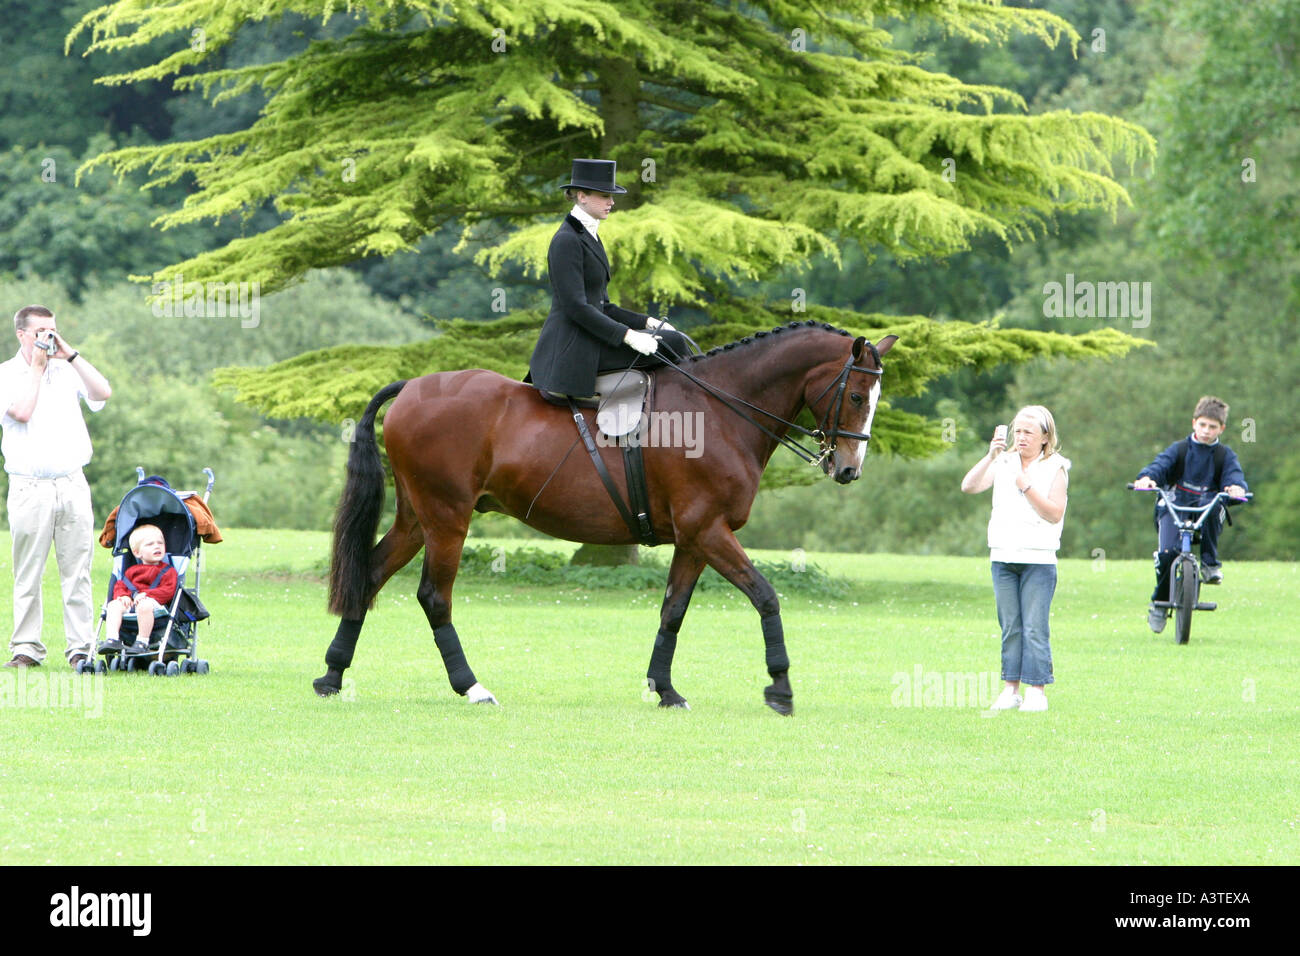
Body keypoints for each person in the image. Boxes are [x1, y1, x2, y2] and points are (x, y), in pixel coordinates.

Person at [0, 305, 112, 669]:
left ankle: (81, 647)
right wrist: (36, 368)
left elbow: (103, 393)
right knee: (28, 571)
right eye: (40, 332)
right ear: (22, 334)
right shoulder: (7, 374)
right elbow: (21, 412)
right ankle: (26, 648)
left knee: (77, 569)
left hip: (71, 482)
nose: (47, 338)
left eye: (52, 330)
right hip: (29, 486)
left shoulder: (67, 370)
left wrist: (71, 355)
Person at [527, 158, 693, 399]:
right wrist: (627, 335)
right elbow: (576, 307)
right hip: (573, 347)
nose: (612, 202)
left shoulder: (588, 235)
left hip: (592, 337)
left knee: (673, 339)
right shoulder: (566, 240)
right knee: (672, 344)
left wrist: (646, 322)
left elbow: (603, 306)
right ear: (582, 196)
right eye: (605, 196)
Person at [961, 406, 1070, 712]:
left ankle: (1037, 690)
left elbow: (1054, 513)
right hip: (1002, 556)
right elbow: (969, 486)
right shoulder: (1004, 462)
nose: (1021, 438)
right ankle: (1011, 689)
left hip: (1039, 560)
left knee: (1035, 626)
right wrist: (990, 456)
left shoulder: (1056, 467)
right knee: (1011, 626)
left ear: (1045, 437)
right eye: (1017, 432)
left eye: (1028, 433)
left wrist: (1027, 486)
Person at [1131, 396, 1248, 633]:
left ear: (1221, 429)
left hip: (1205, 507)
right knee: (1167, 554)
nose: (1206, 431)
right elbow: (1159, 466)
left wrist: (1235, 488)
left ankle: (1209, 563)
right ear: (1194, 423)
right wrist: (1147, 478)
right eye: (1202, 425)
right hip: (1175, 504)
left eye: (1212, 427)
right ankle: (1159, 603)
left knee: (1218, 506)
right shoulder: (1180, 449)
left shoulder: (1224, 456)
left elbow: (1234, 476)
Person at [101, 524, 177, 653]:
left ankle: (142, 641)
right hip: (131, 603)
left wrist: (146, 594)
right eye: (150, 544)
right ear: (137, 553)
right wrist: (123, 596)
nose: (157, 546)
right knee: (113, 605)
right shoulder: (132, 571)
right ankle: (112, 639)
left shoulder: (168, 571)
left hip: (155, 605)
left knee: (144, 605)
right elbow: (121, 585)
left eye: (160, 543)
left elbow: (168, 591)